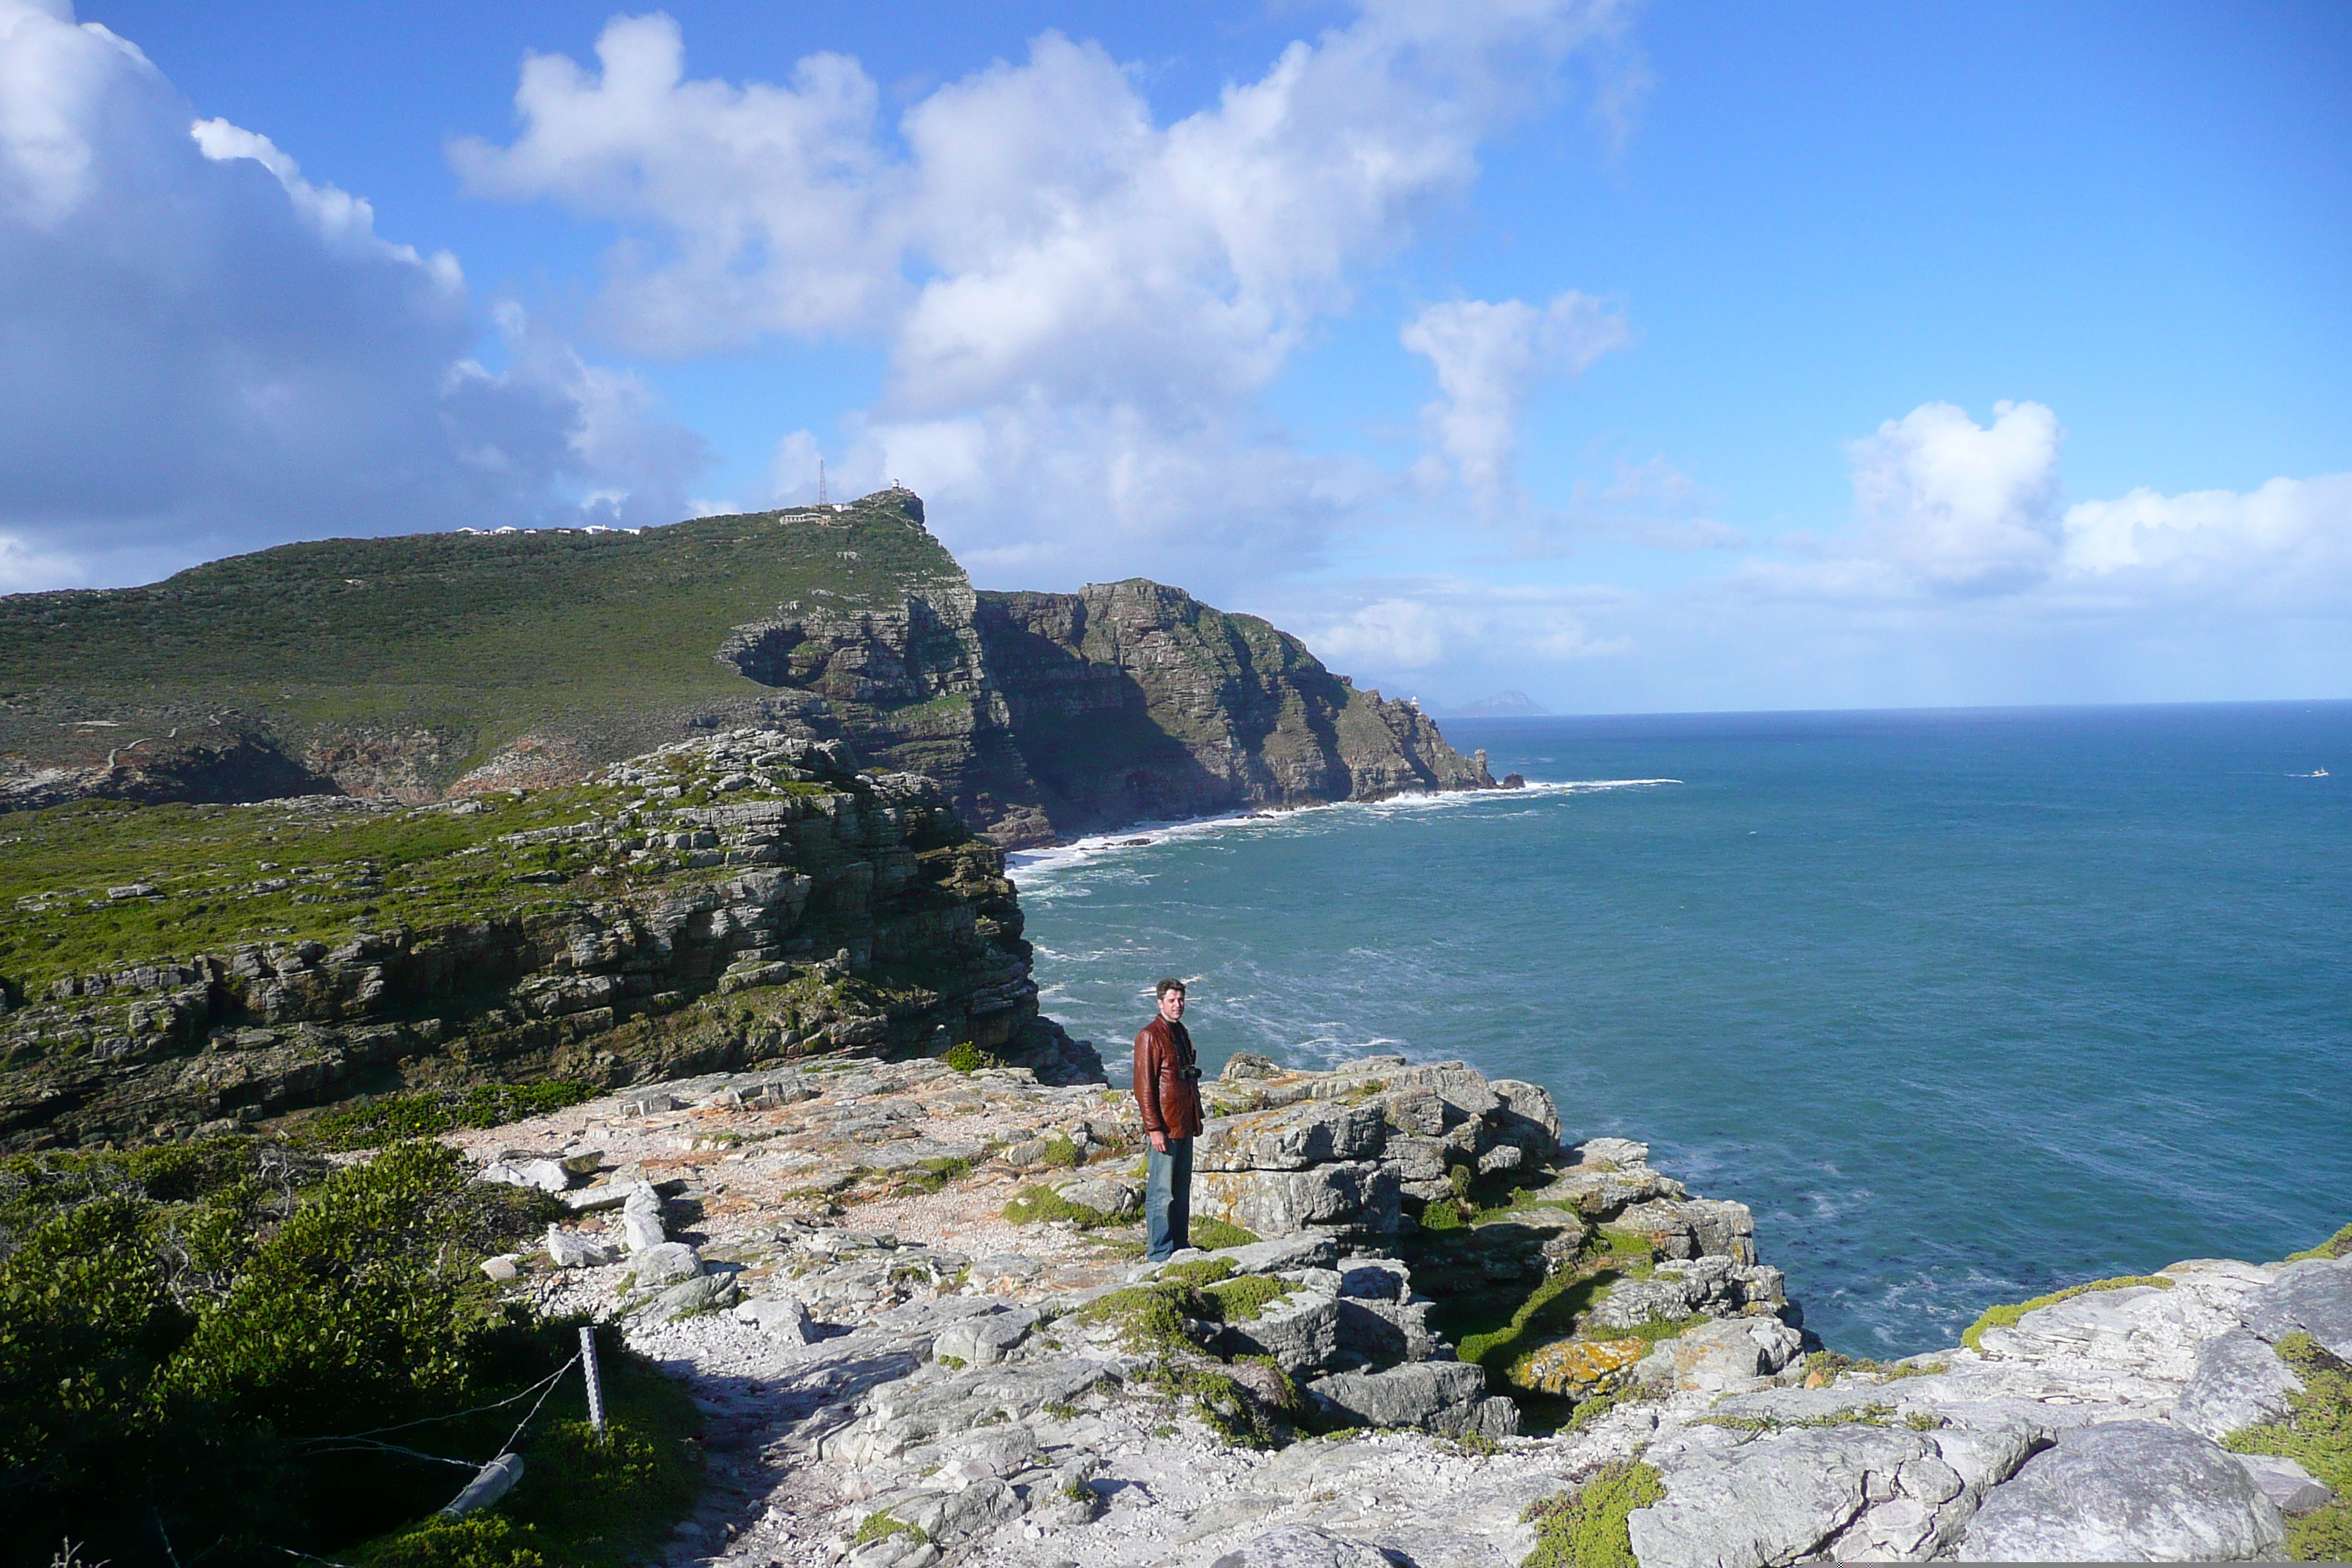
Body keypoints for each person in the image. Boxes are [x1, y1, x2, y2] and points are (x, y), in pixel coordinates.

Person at [1132, 977, 1203, 1261]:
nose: (1178, 1005)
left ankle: (1180, 1244)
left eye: (1181, 1000)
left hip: (1184, 1122)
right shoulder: (1149, 1036)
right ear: (1160, 1003)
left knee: (1181, 1188)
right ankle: (1159, 1252)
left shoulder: (1181, 1032)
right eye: (1172, 1000)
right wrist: (1154, 1128)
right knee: (1162, 1192)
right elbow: (1144, 1086)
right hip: (1165, 1126)